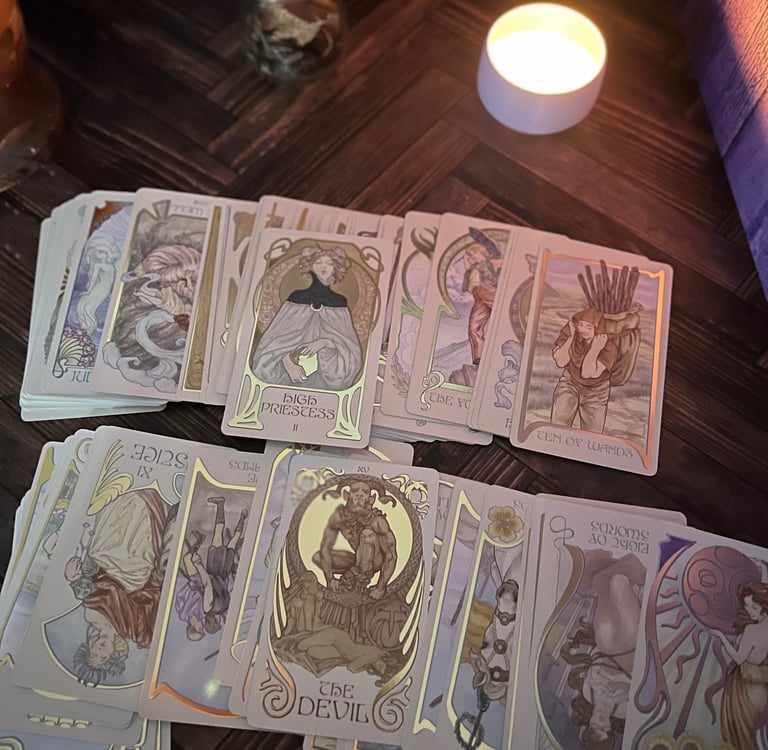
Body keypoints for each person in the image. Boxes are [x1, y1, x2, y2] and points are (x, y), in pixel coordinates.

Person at [64, 488, 173, 685]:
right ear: (114, 654)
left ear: (91, 645)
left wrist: (73, 578)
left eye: (94, 653)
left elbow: (93, 586)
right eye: (103, 656)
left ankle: (133, 498)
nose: (100, 650)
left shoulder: (91, 616)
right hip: (134, 578)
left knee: (100, 550)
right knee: (130, 559)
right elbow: (149, 602)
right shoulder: (134, 632)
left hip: (106, 567)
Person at [560, 550, 645, 750]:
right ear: (610, 729)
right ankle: (627, 581)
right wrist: (621, 676)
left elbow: (595, 661)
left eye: (594, 726)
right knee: (617, 584)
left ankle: (618, 581)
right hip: (631, 652)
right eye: (604, 728)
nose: (600, 721)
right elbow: (639, 680)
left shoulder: (588, 693)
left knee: (606, 634)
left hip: (607, 648)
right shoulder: (624, 710)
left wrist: (612, 673)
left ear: (588, 723)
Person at [250, 245, 363, 391]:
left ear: (336, 268)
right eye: (318, 262)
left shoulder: (339, 302)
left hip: (325, 377)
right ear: (310, 266)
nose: (323, 267)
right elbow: (273, 343)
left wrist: (324, 342)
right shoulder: (296, 298)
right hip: (285, 375)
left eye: (329, 263)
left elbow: (350, 350)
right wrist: (287, 362)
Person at [312, 477, 396, 601]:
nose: (359, 494)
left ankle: (360, 583)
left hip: (376, 561)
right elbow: (325, 548)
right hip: (358, 559)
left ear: (371, 499)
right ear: (347, 496)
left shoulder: (377, 521)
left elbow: (391, 555)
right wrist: (330, 579)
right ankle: (351, 577)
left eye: (365, 492)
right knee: (318, 557)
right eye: (355, 491)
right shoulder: (340, 517)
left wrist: (380, 587)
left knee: (367, 535)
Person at [711, 582, 768, 750]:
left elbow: (738, 658)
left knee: (742, 738)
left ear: (764, 606)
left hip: (745, 688)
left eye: (753, 607)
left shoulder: (752, 630)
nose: (749, 611)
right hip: (762, 689)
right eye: (747, 606)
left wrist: (721, 637)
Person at [551, 307, 618, 434]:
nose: (583, 330)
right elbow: (561, 362)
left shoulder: (609, 348)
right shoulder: (571, 334)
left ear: (598, 329)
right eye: (581, 325)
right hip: (570, 383)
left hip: (596, 392)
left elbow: (587, 373)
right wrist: (571, 338)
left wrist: (595, 349)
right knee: (557, 425)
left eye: (589, 327)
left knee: (592, 433)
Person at [462, 229, 502, 366]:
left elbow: (491, 246)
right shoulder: (473, 268)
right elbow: (468, 270)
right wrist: (466, 258)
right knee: (473, 328)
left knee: (501, 317)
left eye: (474, 253)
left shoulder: (494, 262)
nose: (472, 257)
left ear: (482, 252)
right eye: (470, 255)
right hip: (478, 297)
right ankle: (479, 357)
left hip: (489, 292)